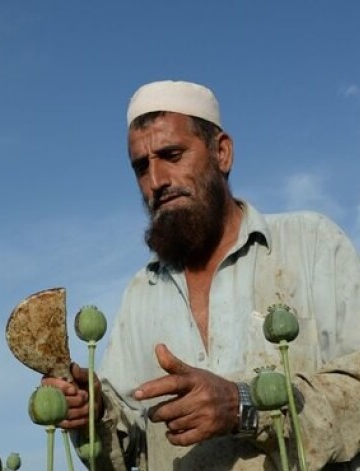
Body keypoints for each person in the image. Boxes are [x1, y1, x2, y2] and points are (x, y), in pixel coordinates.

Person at [43, 80, 360, 470]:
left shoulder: (312, 244)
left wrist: (245, 405)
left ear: (222, 153)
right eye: (142, 167)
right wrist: (94, 416)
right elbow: (130, 455)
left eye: (172, 155)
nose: (156, 180)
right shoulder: (142, 293)